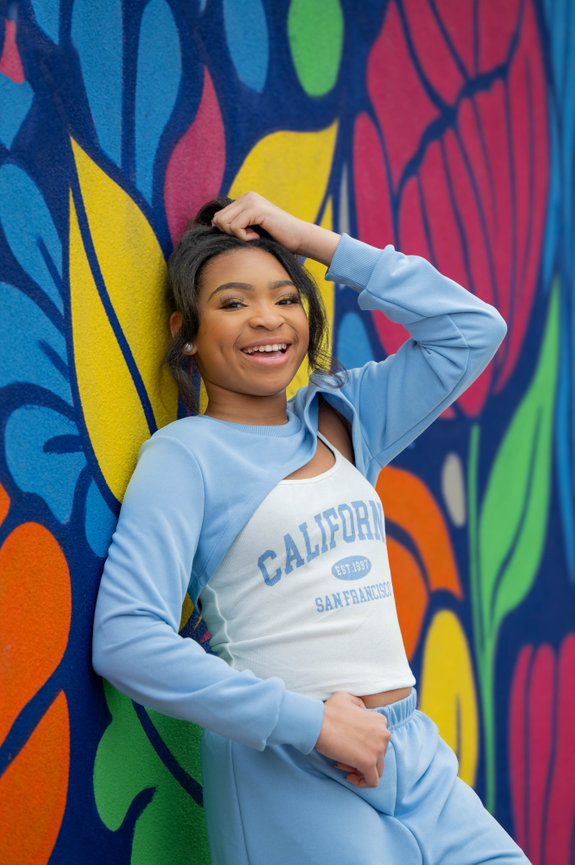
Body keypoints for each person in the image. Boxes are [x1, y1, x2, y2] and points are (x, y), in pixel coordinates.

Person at [92, 192, 529, 864]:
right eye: (233, 302)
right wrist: (312, 722)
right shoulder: (187, 455)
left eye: (285, 296)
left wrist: (312, 241)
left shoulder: (342, 417)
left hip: (408, 749)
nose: (266, 318)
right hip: (288, 764)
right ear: (187, 331)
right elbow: (125, 639)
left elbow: (471, 329)